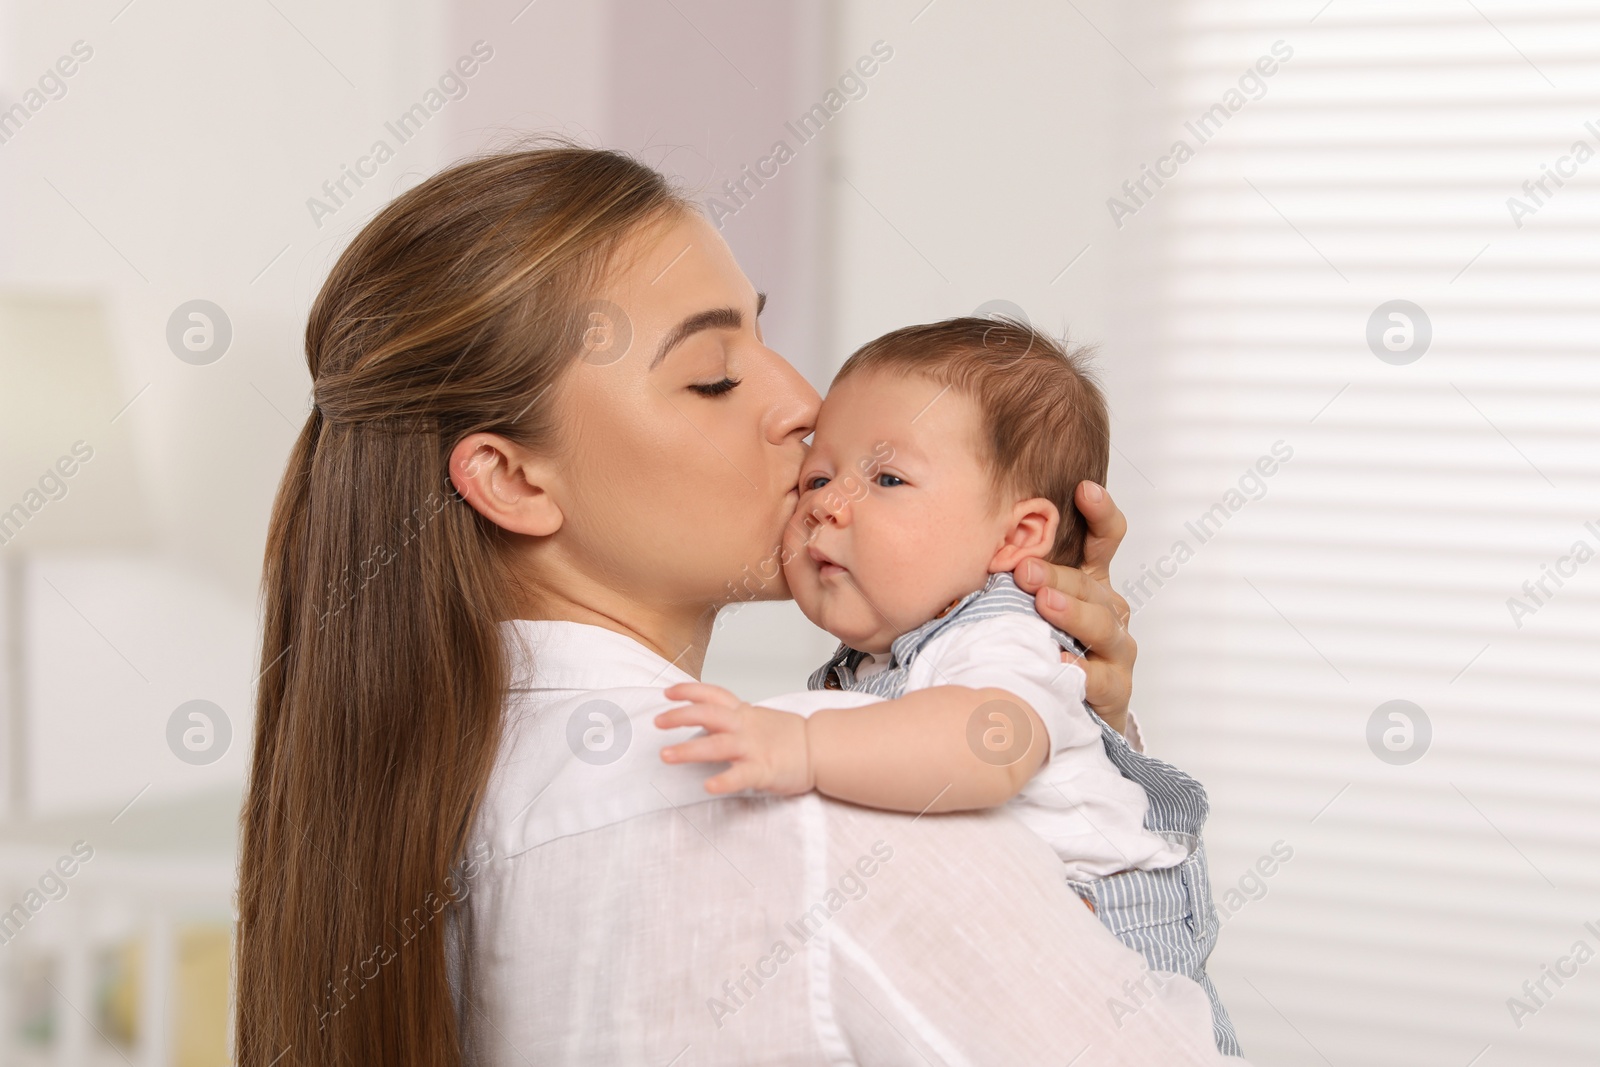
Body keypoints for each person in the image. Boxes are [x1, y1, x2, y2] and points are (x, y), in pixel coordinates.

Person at [235, 144, 1241, 1066]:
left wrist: (1074, 723)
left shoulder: (430, 783)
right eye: (712, 377)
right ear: (510, 477)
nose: (802, 402)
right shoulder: (814, 806)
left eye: (763, 335)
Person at [656, 317, 1239, 1056]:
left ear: (1017, 537)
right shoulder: (894, 653)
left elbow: (985, 742)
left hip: (1120, 944)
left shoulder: (1002, 633)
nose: (827, 505)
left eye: (888, 479)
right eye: (819, 476)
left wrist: (803, 743)